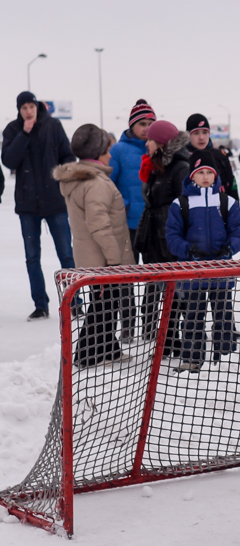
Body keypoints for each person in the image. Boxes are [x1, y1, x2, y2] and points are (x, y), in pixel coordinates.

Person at [52, 124, 135, 367]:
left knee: (106, 305)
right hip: (103, 258)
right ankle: (86, 356)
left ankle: (109, 350)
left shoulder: (86, 179)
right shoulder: (95, 183)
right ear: (98, 152)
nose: (111, 154)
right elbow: (99, 225)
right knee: (102, 307)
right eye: (107, 149)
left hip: (90, 255)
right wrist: (114, 259)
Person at [165, 149, 240, 373]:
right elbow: (172, 236)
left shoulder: (226, 202)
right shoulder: (181, 204)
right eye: (201, 172)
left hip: (221, 270)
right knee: (192, 317)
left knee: (223, 316)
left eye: (210, 172)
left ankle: (226, 356)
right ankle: (192, 357)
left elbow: (237, 231)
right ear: (192, 175)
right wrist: (188, 250)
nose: (206, 176)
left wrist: (230, 247)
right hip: (193, 272)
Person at [2, 92, 76, 320]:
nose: (28, 111)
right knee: (32, 257)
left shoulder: (53, 126)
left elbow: (68, 156)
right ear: (19, 109)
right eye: (23, 107)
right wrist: (24, 134)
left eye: (31, 106)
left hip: (55, 201)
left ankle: (75, 301)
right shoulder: (12, 130)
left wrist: (60, 180)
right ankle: (40, 304)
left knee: (66, 254)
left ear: (36, 106)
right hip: (27, 205)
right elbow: (8, 160)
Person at [136, 119, 191, 352]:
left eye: (149, 139)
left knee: (176, 289)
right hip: (156, 236)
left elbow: (185, 204)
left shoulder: (180, 167)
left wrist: (177, 234)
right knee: (162, 287)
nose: (146, 143)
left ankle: (173, 336)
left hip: (170, 237)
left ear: (160, 142)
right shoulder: (156, 165)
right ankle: (166, 336)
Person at [109, 98, 156, 338]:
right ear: (131, 125)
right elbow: (110, 184)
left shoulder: (157, 148)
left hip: (151, 224)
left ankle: (149, 326)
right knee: (126, 276)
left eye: (151, 123)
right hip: (127, 224)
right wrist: (123, 205)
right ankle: (127, 326)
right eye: (142, 123)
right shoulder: (118, 150)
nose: (147, 127)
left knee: (152, 276)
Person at [185, 114, 238, 199]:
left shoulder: (220, 157)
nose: (201, 137)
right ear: (188, 135)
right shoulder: (182, 159)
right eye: (196, 133)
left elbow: (232, 188)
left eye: (205, 132)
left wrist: (234, 210)